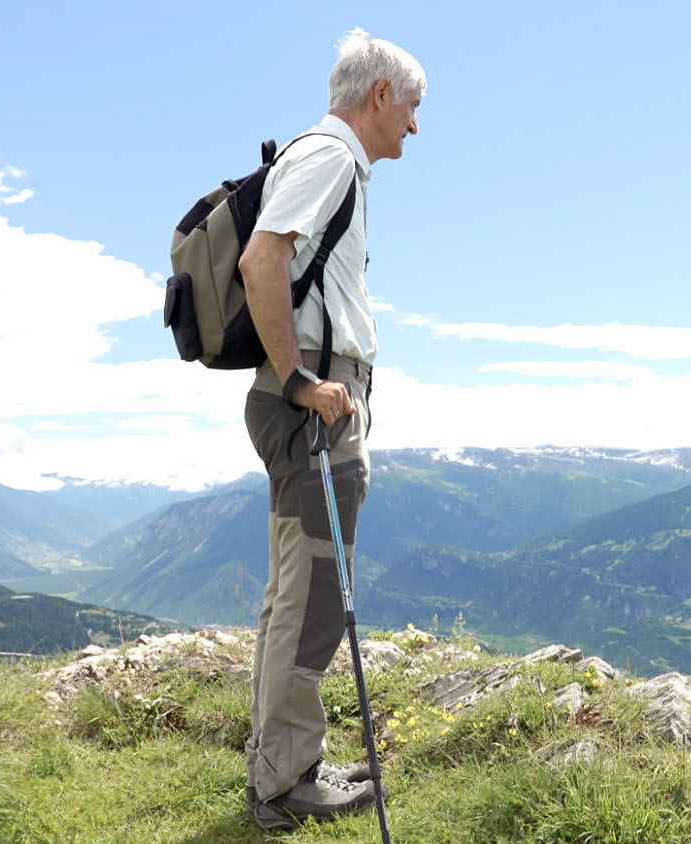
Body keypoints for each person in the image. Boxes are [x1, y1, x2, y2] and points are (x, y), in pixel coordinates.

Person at [236, 27, 424, 831]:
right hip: (316, 402)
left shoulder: (329, 161)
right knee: (313, 595)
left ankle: (287, 761)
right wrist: (301, 381)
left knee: (295, 593)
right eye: (413, 107)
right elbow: (261, 259)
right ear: (379, 95)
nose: (415, 126)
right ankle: (284, 782)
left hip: (313, 396)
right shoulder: (330, 157)